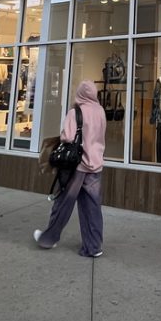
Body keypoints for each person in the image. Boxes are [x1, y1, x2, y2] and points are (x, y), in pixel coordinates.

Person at [33, 79, 106, 256]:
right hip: (95, 165)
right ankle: (93, 247)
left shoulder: (75, 112)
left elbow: (67, 137)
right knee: (92, 207)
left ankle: (49, 239)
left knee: (63, 203)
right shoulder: (100, 111)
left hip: (76, 166)